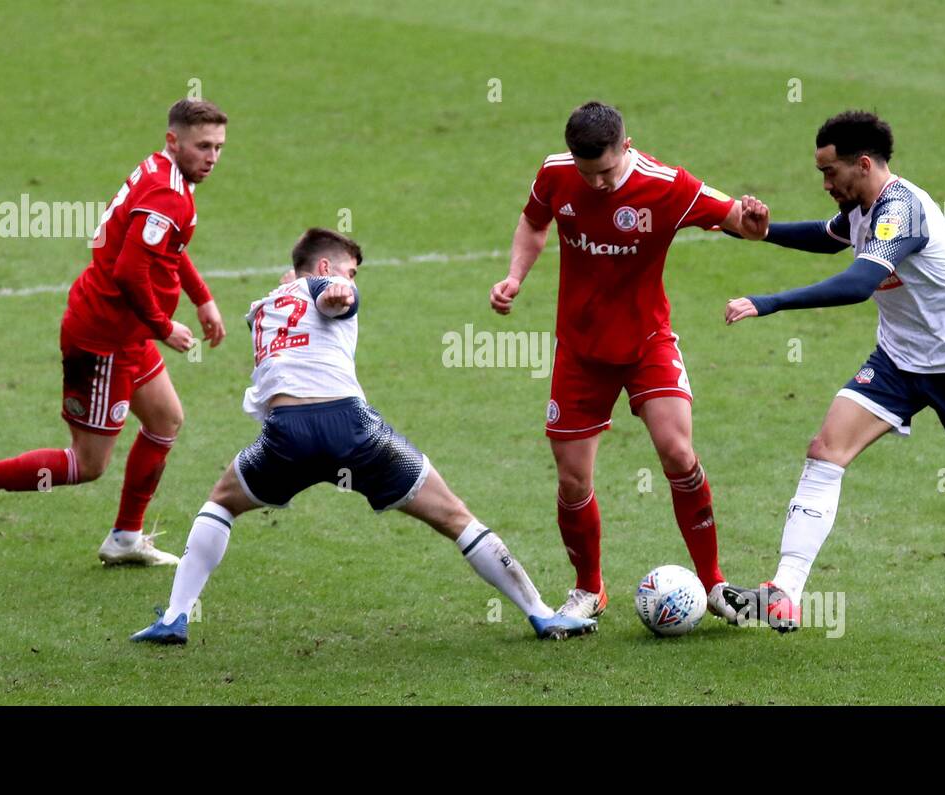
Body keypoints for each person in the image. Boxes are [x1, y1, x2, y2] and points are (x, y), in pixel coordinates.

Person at [131, 229, 596, 643]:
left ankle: (174, 616)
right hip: (350, 429)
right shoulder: (330, 286)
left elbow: (298, 301)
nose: (354, 280)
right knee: (454, 516)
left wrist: (311, 287)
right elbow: (336, 297)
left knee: (221, 503)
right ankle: (540, 614)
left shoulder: (261, 308)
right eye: (351, 270)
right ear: (328, 266)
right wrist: (337, 291)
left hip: (284, 437)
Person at [721, 110, 945, 630]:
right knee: (825, 451)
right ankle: (784, 592)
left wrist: (770, 302)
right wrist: (762, 234)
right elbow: (830, 235)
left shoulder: (901, 212)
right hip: (897, 361)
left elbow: (855, 284)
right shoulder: (862, 205)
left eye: (830, 172)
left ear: (863, 164)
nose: (825, 184)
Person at [489, 101, 769, 623]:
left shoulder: (667, 185)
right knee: (572, 481)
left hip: (647, 344)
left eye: (607, 171)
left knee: (678, 454)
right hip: (580, 350)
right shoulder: (556, 173)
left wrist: (753, 221)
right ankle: (588, 589)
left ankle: (714, 584)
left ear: (628, 146)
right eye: (587, 172)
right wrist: (515, 277)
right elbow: (533, 223)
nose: (596, 183)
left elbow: (737, 220)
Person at [0, 99, 230, 566]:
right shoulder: (167, 193)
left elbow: (166, 249)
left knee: (165, 420)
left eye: (218, 147)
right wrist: (163, 326)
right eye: (202, 146)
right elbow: (131, 270)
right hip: (105, 339)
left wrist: (201, 296)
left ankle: (125, 538)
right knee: (87, 464)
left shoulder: (161, 173)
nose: (211, 157)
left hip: (124, 333)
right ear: (174, 141)